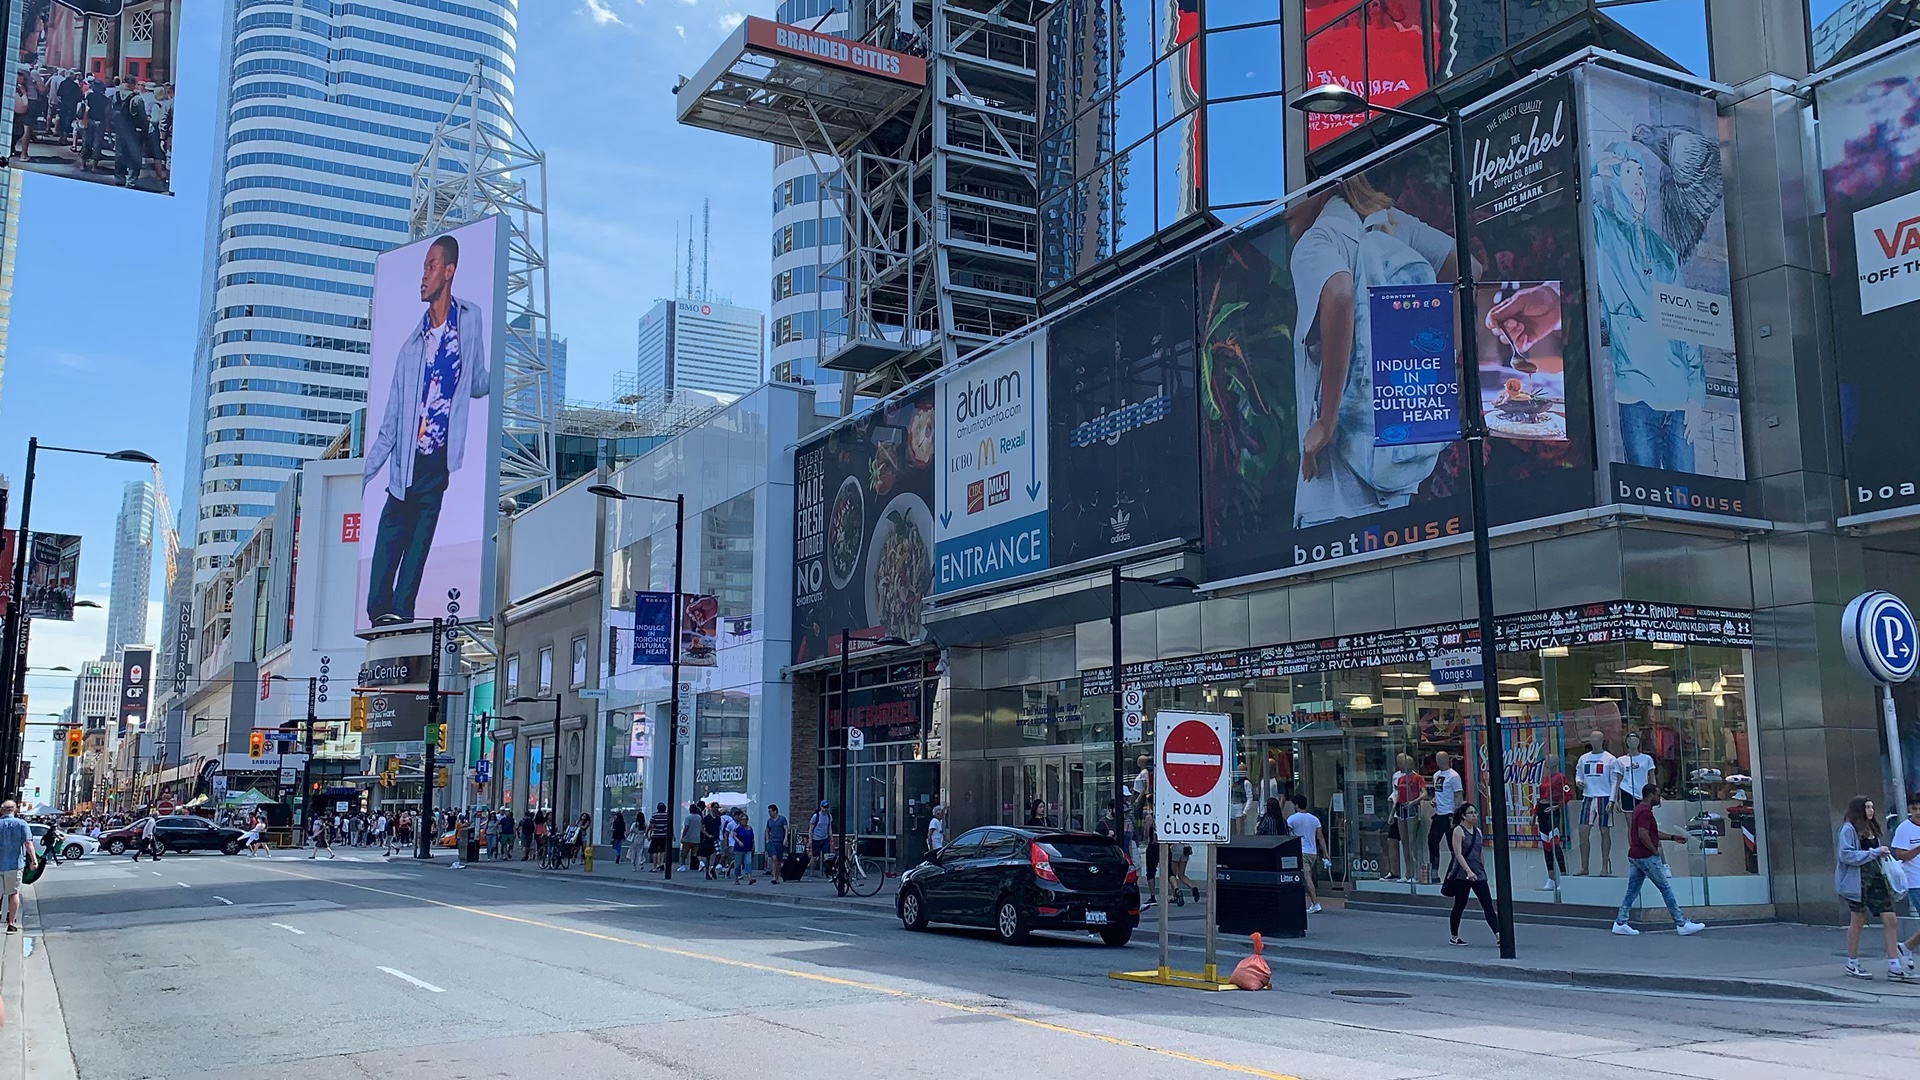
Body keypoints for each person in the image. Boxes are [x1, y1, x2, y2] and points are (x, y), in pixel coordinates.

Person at [362, 232, 492, 625]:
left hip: (437, 463)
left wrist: (505, 367)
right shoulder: (409, 349)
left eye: (431, 265)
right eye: (423, 266)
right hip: (404, 465)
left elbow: (479, 382)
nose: (423, 274)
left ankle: (403, 614)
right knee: (387, 549)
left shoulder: (470, 319)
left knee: (417, 552)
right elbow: (388, 426)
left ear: (449, 271)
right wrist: (363, 476)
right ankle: (379, 612)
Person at [1611, 783, 1706, 938]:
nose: (1660, 798)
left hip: (1636, 856)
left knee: (1632, 890)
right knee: (1665, 888)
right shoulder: (1645, 812)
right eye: (1657, 794)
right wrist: (1654, 851)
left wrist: (1673, 837)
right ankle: (1681, 923)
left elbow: (1651, 832)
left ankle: (1620, 922)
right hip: (1645, 856)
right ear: (1650, 795)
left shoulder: (1640, 810)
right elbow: (1643, 834)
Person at [1836, 795, 1905, 980]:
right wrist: (1874, 852)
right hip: (1856, 882)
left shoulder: (1872, 827)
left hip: (1876, 878)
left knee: (1890, 918)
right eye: (1867, 807)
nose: (1871, 810)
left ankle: (1894, 963)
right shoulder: (1848, 829)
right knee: (1857, 920)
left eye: (1872, 807)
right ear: (1859, 809)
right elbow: (1846, 855)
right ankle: (1852, 962)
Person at [1444, 805, 1499, 947]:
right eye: (1471, 813)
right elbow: (1458, 854)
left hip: (1478, 873)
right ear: (1463, 816)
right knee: (1460, 905)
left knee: (1487, 904)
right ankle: (1454, 936)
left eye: (1475, 812)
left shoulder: (1478, 831)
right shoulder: (1458, 830)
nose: (1474, 816)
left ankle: (1498, 934)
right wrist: (1468, 871)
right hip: (1463, 874)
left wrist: (1481, 868)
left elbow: (1479, 852)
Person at [1890, 792, 1920, 976]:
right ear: (1909, 809)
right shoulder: (1904, 829)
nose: (1918, 813)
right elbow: (1900, 855)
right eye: (1915, 809)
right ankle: (1906, 948)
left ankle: (1906, 947)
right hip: (1916, 881)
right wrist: (1918, 848)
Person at [0, 801, 39, 934]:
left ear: (1, 811)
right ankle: (11, 922)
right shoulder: (22, 824)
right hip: (14, 864)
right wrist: (33, 859)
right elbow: (28, 843)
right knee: (14, 893)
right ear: (15, 810)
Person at [1287, 794, 1326, 915]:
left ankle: (1316, 903)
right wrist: (1325, 853)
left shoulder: (1292, 819)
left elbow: (1286, 834)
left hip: (1301, 851)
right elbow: (1320, 837)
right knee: (1308, 877)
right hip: (1312, 852)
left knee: (1307, 877)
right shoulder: (1314, 819)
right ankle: (1313, 903)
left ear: (1296, 805)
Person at [1428, 752, 1463, 880]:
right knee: (1432, 841)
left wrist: (1456, 814)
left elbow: (1458, 795)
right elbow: (1439, 793)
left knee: (1452, 845)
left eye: (1442, 759)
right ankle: (1434, 871)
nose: (1440, 761)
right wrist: (1434, 800)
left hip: (1449, 813)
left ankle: (1453, 873)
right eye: (1438, 759)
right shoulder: (1436, 775)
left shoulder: (1454, 776)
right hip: (1438, 814)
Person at [110, 75, 147, 188]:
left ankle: (119, 178)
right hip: (133, 131)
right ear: (132, 84)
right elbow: (142, 117)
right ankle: (131, 181)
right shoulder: (136, 98)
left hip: (119, 129)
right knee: (134, 156)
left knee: (120, 155)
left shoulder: (115, 95)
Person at [730, 810, 756, 884]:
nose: (745, 821)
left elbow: (752, 838)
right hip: (739, 849)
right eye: (743, 819)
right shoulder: (737, 828)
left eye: (746, 819)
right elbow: (734, 836)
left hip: (748, 848)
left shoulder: (750, 828)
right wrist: (739, 842)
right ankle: (736, 879)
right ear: (740, 820)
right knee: (738, 864)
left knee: (748, 863)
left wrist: (753, 847)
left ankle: (750, 878)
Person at [765, 804, 788, 885]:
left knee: (778, 860)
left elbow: (786, 829)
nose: (769, 813)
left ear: (775, 811)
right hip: (772, 842)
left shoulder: (782, 819)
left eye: (770, 811)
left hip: (779, 842)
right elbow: (767, 830)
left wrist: (785, 839)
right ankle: (773, 877)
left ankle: (777, 876)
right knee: (774, 858)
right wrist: (767, 840)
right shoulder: (769, 821)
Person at [808, 801, 833, 876]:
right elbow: (811, 828)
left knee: (827, 856)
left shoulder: (829, 816)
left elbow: (829, 828)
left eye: (827, 807)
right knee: (815, 856)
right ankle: (811, 872)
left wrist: (831, 838)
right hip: (816, 838)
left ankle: (827, 872)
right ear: (821, 807)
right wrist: (810, 839)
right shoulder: (816, 816)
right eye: (824, 807)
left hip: (824, 838)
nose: (826, 809)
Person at [700, 802, 722, 879]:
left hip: (716, 838)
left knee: (719, 854)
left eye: (717, 807)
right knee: (708, 856)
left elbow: (719, 828)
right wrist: (707, 835)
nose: (716, 809)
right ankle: (707, 872)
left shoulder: (718, 818)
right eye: (715, 807)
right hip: (708, 838)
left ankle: (713, 869)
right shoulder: (706, 818)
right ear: (712, 808)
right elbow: (702, 828)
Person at [679, 801, 702, 871]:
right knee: (696, 853)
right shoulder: (699, 817)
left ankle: (683, 866)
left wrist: (683, 836)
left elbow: (686, 828)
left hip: (688, 838)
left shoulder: (688, 818)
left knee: (684, 853)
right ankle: (701, 863)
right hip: (696, 838)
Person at [647, 803, 671, 871]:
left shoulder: (654, 815)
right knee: (662, 850)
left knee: (654, 851)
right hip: (664, 835)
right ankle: (661, 863)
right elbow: (669, 826)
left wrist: (647, 833)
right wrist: (672, 834)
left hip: (656, 835)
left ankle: (655, 867)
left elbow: (651, 825)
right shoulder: (667, 815)